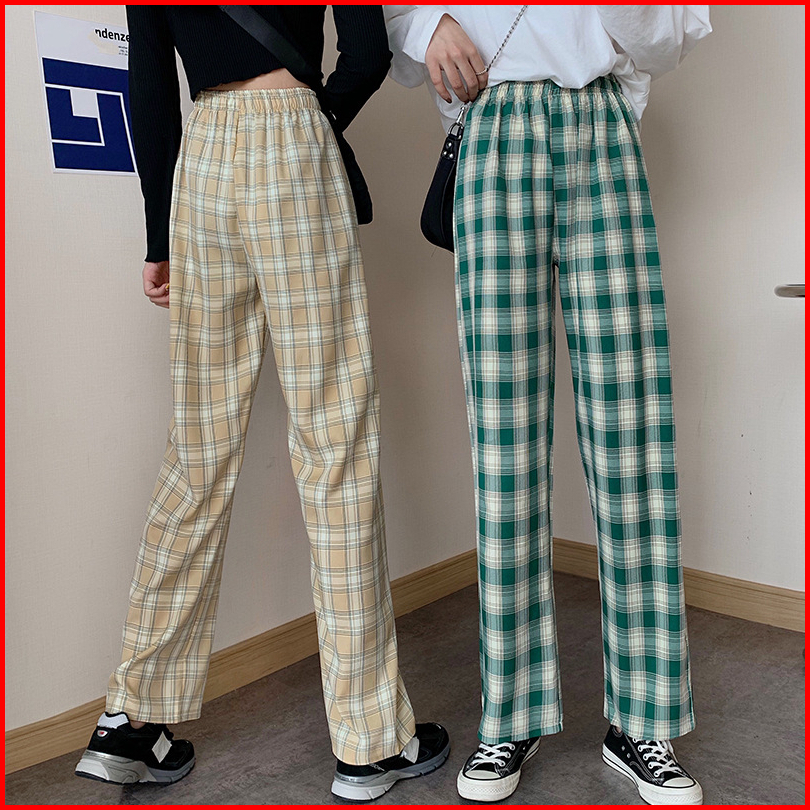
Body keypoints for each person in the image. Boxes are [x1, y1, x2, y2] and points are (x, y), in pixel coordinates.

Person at [73, 6, 449, 802]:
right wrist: (312, 116)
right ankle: (369, 741)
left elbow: (149, 87)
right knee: (335, 442)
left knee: (197, 449)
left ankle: (130, 718)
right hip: (295, 141)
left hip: (203, 161)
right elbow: (367, 53)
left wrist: (158, 237)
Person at [385, 5, 710, 805]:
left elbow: (670, 36)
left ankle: (643, 720)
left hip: (601, 123)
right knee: (504, 444)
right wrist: (427, 27)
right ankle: (512, 711)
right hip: (491, 126)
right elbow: (395, 22)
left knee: (631, 435)